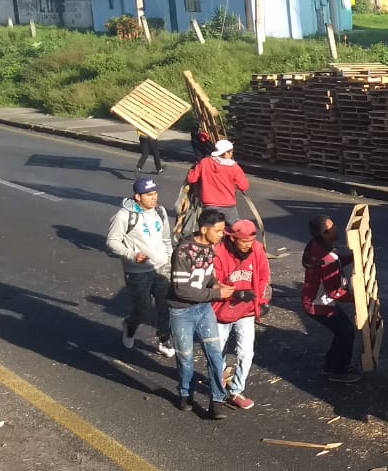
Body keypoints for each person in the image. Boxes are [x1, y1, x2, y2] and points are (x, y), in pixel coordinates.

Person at [169, 208, 235, 419]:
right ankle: (185, 393)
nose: (221, 235)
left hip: (204, 309)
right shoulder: (183, 251)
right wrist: (216, 293)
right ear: (204, 229)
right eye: (217, 231)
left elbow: (206, 275)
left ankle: (217, 400)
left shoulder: (210, 248)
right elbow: (182, 290)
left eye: (222, 230)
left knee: (215, 355)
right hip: (182, 312)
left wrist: (216, 283)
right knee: (185, 357)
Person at [106, 177, 176, 358]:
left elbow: (166, 239)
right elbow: (112, 241)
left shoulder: (159, 211)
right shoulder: (124, 215)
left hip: (161, 267)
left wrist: (169, 260)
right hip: (138, 272)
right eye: (149, 195)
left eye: (155, 193)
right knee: (143, 308)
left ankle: (164, 338)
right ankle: (130, 326)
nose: (154, 198)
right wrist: (132, 255)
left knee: (165, 305)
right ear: (138, 197)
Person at [213, 219, 270, 410]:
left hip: (246, 311)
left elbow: (263, 277)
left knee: (246, 353)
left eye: (250, 241)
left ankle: (236, 390)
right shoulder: (219, 252)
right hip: (220, 310)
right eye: (244, 241)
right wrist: (234, 293)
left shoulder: (257, 250)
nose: (248, 245)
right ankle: (218, 384)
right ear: (233, 239)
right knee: (217, 351)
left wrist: (260, 303)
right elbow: (214, 282)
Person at [301, 214, 361, 383]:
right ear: (323, 234)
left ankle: (332, 363)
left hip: (317, 300)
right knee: (346, 331)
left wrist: (351, 258)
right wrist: (357, 299)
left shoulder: (319, 246)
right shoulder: (326, 260)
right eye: (331, 229)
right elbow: (335, 292)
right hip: (318, 305)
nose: (336, 230)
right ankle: (339, 371)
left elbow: (337, 261)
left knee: (341, 331)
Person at [186, 139, 248, 225]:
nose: (232, 154)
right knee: (234, 230)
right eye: (231, 152)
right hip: (228, 205)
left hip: (208, 205)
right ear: (227, 153)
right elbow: (243, 186)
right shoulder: (234, 168)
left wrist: (194, 168)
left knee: (209, 228)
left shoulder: (205, 162)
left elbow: (191, 179)